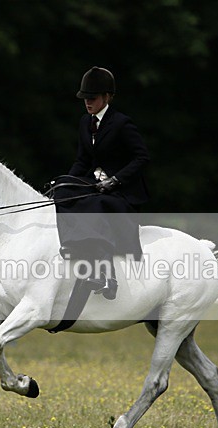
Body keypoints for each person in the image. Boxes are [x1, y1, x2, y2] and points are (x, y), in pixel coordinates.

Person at [52, 66, 150, 299]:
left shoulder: (122, 124)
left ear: (107, 97)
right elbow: (82, 160)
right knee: (64, 194)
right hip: (97, 187)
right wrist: (65, 182)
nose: (87, 103)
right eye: (85, 98)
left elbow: (142, 158)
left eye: (92, 98)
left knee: (95, 205)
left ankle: (107, 272)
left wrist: (116, 180)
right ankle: (72, 246)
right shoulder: (85, 123)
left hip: (123, 192)